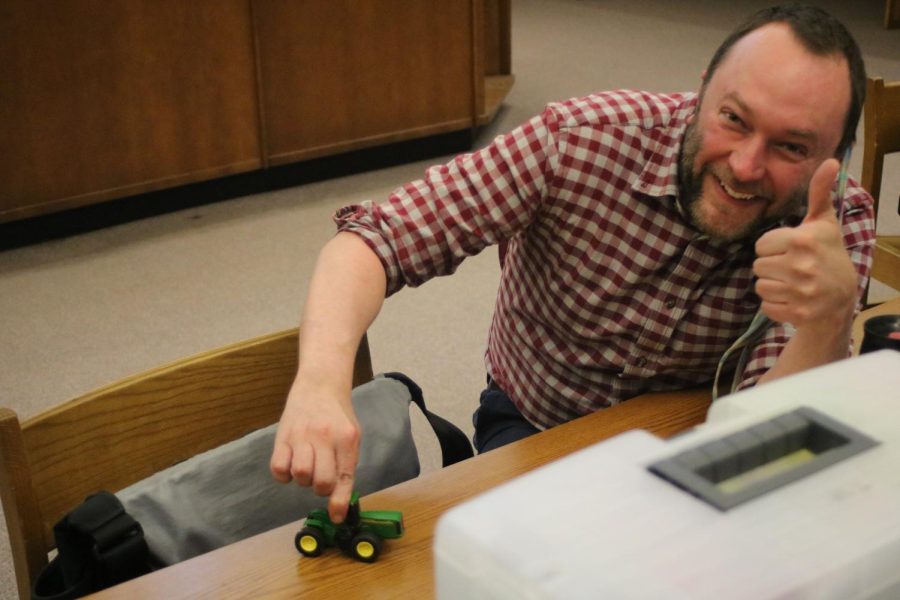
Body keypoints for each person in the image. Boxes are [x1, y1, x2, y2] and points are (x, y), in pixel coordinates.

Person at [270, 4, 875, 523]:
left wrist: (828, 320)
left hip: (696, 433)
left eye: (791, 147)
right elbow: (375, 240)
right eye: (733, 119)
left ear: (837, 156)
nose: (745, 167)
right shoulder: (579, 139)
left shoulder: (835, 218)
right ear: (700, 93)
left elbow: (766, 441)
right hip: (537, 422)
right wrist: (321, 383)